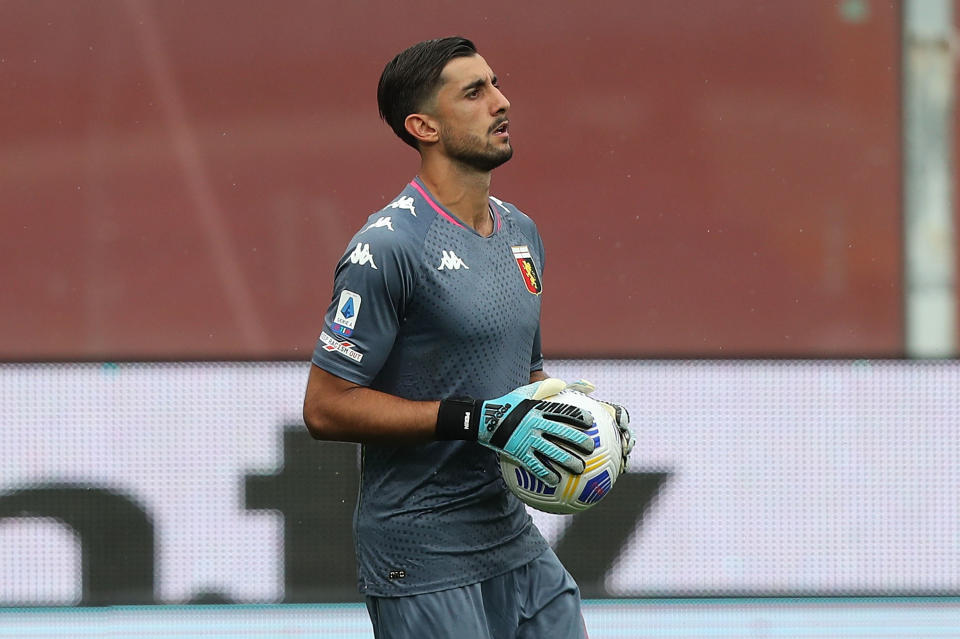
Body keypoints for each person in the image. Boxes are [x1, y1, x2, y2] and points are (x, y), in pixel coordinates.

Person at [303, 36, 633, 639]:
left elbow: (521, 379)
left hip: (510, 538)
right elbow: (325, 408)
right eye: (474, 93)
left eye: (496, 84)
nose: (501, 102)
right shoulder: (387, 247)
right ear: (423, 126)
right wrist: (473, 421)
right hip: (421, 550)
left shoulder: (521, 232)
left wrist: (573, 413)